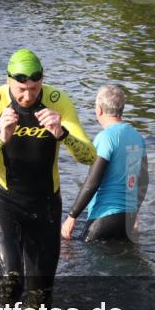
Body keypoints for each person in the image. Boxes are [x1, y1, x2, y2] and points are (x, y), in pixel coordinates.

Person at [0, 49, 95, 308]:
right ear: (9, 81)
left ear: (42, 80)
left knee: (41, 297)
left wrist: (62, 133)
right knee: (11, 281)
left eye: (34, 89)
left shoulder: (58, 101)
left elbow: (89, 156)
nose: (27, 96)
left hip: (45, 205)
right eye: (21, 89)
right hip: (4, 201)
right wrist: (1, 137)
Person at [61, 85, 149, 242]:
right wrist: (134, 210)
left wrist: (72, 216)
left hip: (104, 217)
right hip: (127, 219)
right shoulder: (137, 137)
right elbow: (143, 180)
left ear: (99, 109)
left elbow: (93, 181)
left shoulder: (105, 138)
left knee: (74, 256)